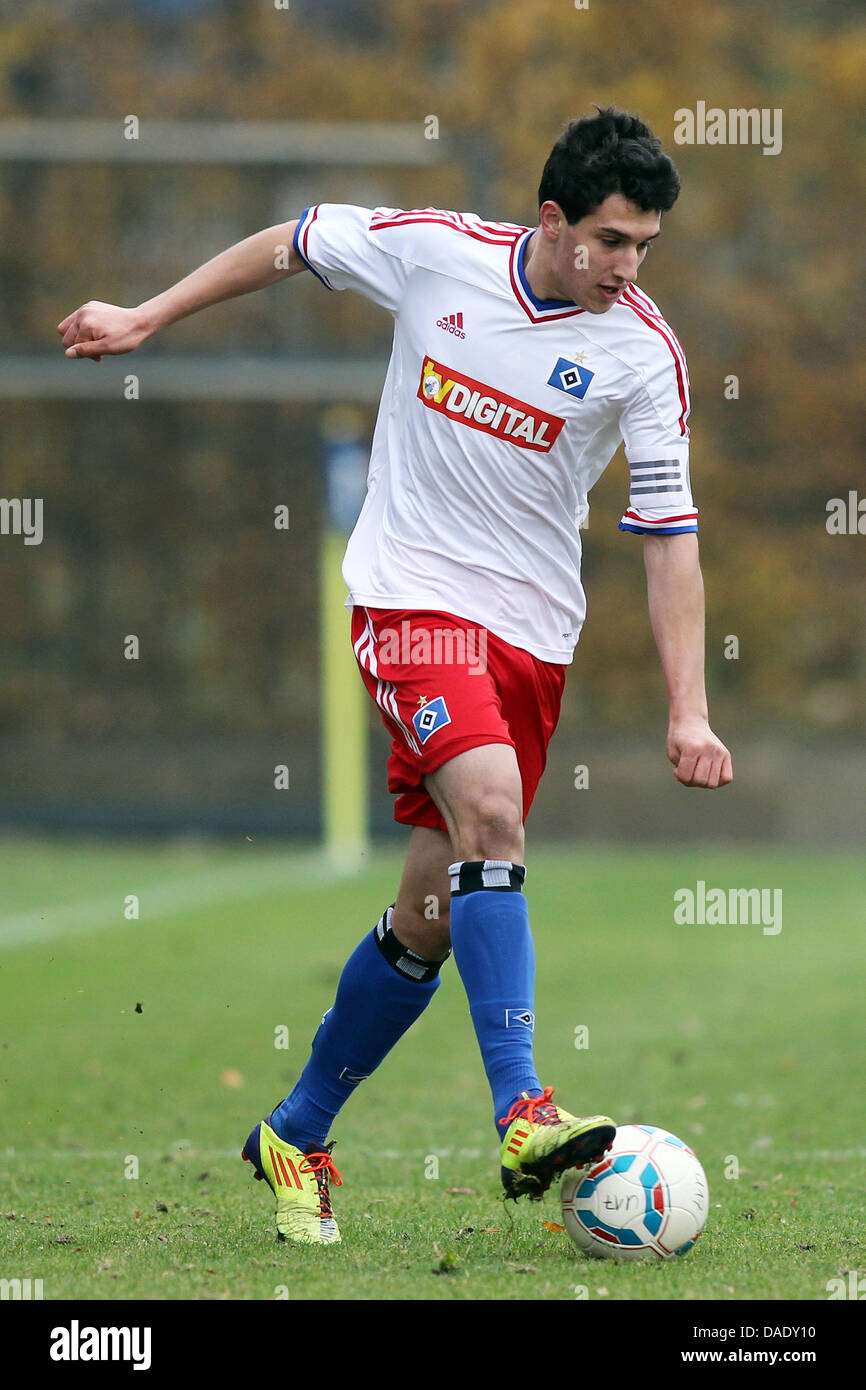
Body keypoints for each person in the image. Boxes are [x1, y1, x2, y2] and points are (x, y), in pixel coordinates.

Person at [58, 106, 732, 1246]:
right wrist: (148, 313)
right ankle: (521, 1109)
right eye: (611, 241)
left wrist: (688, 707)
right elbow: (292, 240)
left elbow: (667, 535)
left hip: (529, 639)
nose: (627, 267)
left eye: (645, 248)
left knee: (431, 913)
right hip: (409, 600)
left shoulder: (643, 354)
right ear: (552, 218)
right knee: (493, 814)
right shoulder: (434, 254)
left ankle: (294, 1129)